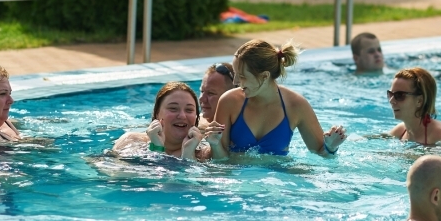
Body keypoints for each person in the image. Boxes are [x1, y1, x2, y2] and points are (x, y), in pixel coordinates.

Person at [204, 39, 346, 157]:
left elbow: (320, 154)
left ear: (265, 76)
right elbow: (220, 161)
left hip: (278, 181)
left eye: (242, 76)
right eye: (235, 74)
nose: (235, 82)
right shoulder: (229, 101)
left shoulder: (296, 105)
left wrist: (331, 147)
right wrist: (214, 145)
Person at [112, 82, 207, 161]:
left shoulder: (204, 153)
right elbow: (116, 175)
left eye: (189, 110)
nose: (182, 115)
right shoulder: (131, 141)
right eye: (173, 108)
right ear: (157, 113)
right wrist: (156, 149)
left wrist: (189, 155)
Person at [387, 68, 441, 145]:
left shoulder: (439, 132)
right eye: (390, 94)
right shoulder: (402, 130)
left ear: (419, 101)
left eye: (399, 95)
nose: (391, 100)